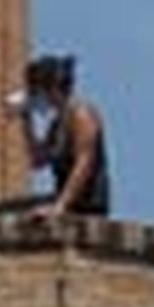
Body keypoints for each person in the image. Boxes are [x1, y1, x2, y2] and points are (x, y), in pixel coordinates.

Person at [9, 53, 110, 218]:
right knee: (5, 210)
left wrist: (60, 206)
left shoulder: (82, 115)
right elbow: (38, 160)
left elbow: (84, 163)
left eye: (38, 90)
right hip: (64, 199)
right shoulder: (58, 122)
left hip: (87, 203)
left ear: (53, 88)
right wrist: (26, 119)